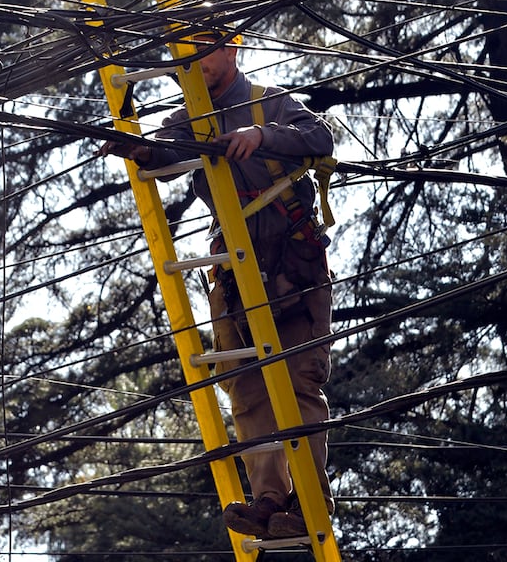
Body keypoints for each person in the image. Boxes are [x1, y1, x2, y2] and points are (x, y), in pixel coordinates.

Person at [101, 31, 335, 540]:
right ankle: (269, 499)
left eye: (203, 48)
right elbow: (164, 154)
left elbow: (320, 138)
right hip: (233, 271)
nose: (192, 61)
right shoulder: (190, 118)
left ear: (233, 48)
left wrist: (264, 135)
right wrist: (140, 149)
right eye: (183, 53)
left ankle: (310, 500)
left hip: (292, 263)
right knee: (249, 390)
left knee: (297, 382)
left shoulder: (265, 100)